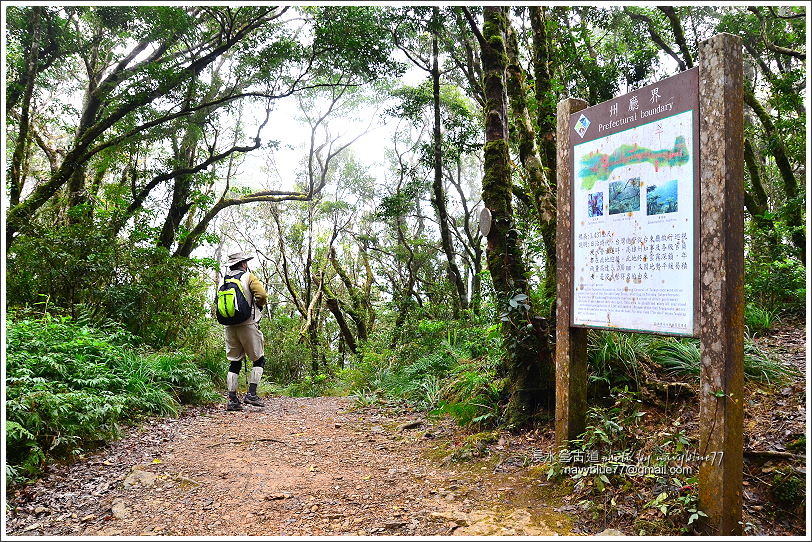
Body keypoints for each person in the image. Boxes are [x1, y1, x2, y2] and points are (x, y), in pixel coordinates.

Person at [222, 251, 268, 411]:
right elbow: (261, 295)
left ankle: (232, 399)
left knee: (234, 361)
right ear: (243, 264)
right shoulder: (248, 277)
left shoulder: (226, 280)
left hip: (229, 326)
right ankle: (252, 395)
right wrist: (259, 306)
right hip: (247, 324)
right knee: (259, 359)